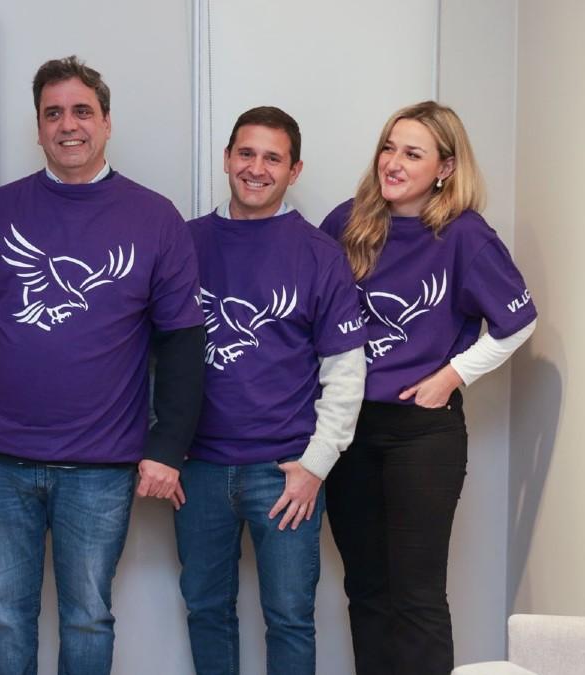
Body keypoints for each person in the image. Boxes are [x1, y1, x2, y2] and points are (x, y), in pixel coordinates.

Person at [0, 56, 206, 675]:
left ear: (106, 123)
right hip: (0, 460)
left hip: (101, 466)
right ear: (38, 127)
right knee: (4, 616)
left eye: (82, 111)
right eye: (53, 113)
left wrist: (168, 447)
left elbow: (183, 345)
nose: (68, 125)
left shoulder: (155, 219)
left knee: (88, 617)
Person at [321, 101, 537, 675]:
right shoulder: (346, 222)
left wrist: (451, 376)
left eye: (412, 153)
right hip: (348, 432)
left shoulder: (464, 234)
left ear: (444, 167)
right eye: (388, 148)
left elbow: (519, 321)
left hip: (421, 435)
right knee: (366, 589)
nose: (393, 163)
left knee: (416, 596)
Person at [177, 106, 367, 675]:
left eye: (272, 158)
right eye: (246, 153)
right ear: (227, 158)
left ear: (294, 170)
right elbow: (148, 352)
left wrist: (316, 465)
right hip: (198, 469)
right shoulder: (183, 243)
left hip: (286, 473)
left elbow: (345, 370)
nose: (256, 169)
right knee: (206, 611)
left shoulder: (319, 254)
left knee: (289, 619)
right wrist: (162, 447)